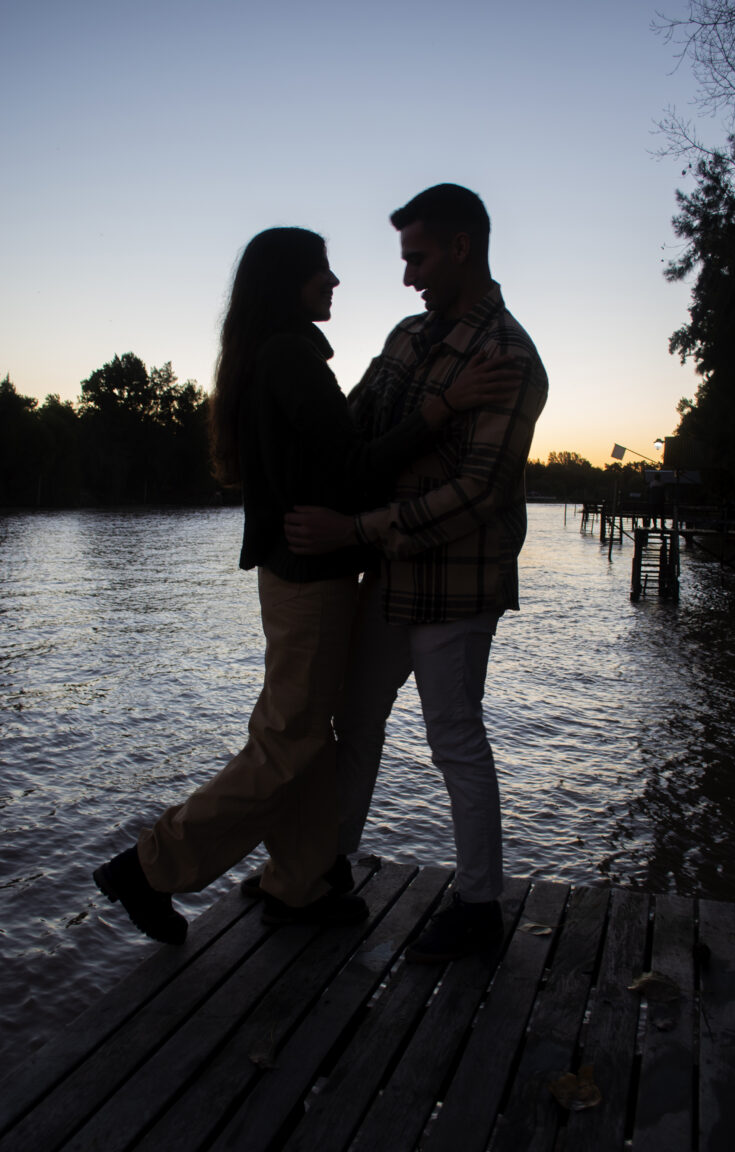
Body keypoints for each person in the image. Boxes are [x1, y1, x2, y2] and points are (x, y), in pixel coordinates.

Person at [93, 225, 514, 945]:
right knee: (286, 743)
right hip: (311, 579)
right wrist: (442, 409)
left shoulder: (278, 354)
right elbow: (353, 466)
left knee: (307, 736)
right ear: (287, 280)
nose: (335, 281)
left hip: (305, 575)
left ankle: (301, 879)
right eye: (321, 270)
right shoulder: (289, 356)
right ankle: (147, 867)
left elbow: (336, 446)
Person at [284, 184, 549, 963]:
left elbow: (480, 491)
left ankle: (478, 909)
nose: (408, 278)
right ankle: (326, 867)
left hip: (458, 585)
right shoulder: (406, 338)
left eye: (418, 258)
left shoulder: (510, 354)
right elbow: (358, 424)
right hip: (392, 580)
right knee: (354, 722)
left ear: (461, 248)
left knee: (454, 738)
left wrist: (354, 529)